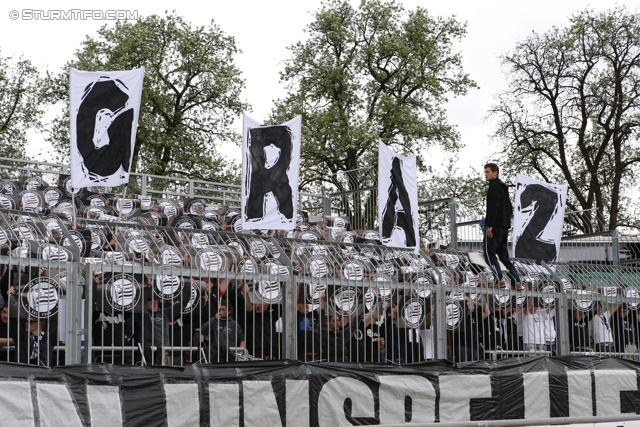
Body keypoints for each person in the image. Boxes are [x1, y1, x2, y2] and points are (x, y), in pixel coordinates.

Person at [482, 163, 521, 288]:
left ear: (495, 172)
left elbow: (493, 207)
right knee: (504, 256)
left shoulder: (493, 187)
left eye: (488, 172)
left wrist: (490, 225)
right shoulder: (504, 188)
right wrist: (506, 223)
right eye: (485, 172)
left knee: (489, 254)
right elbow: (509, 208)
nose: (485, 174)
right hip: (504, 226)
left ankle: (498, 279)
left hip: (495, 226)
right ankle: (516, 281)